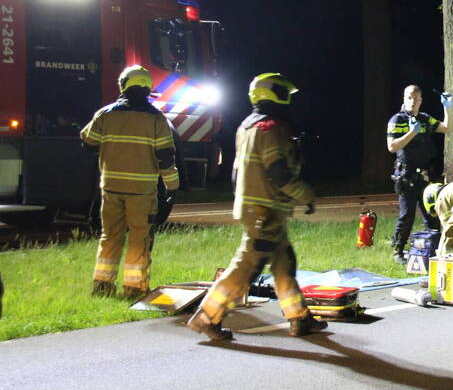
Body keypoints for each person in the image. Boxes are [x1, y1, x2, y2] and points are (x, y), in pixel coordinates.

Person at [187, 73, 324, 341]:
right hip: (265, 211)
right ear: (272, 94)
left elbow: (238, 172)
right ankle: (207, 316)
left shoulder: (248, 126)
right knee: (246, 266)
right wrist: (305, 194)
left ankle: (299, 318)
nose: (288, 102)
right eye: (284, 95)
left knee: (284, 263)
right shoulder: (271, 128)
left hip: (258, 208)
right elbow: (278, 172)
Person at [81, 65, 180, 300]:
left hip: (111, 188)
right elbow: (166, 157)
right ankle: (134, 289)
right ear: (147, 88)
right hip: (142, 192)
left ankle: (102, 286)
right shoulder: (157, 119)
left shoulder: (105, 114)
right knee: (139, 237)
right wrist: (172, 186)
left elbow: (88, 142)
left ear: (123, 84)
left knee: (110, 237)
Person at [386, 85, 451, 264]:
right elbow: (391, 147)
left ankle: (433, 249)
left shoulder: (424, 118)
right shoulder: (396, 120)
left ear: (421, 101)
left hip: (425, 176)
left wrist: (447, 107)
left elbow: (446, 128)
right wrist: (411, 133)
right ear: (404, 98)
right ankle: (398, 250)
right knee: (406, 215)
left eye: (416, 98)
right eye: (409, 97)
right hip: (406, 175)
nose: (412, 102)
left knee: (431, 213)